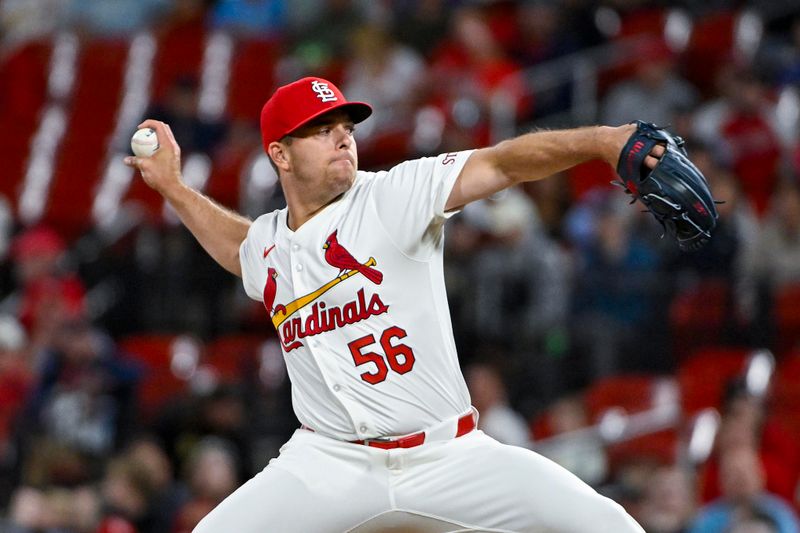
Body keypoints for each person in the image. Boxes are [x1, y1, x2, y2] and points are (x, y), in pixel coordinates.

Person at [123, 76, 657, 531]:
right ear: (279, 154)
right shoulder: (267, 243)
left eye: (347, 129)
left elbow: (502, 165)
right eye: (322, 130)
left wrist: (602, 139)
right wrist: (172, 187)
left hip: (447, 454)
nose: (342, 140)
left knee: (607, 524)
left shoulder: (391, 197)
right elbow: (242, 253)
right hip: (329, 462)